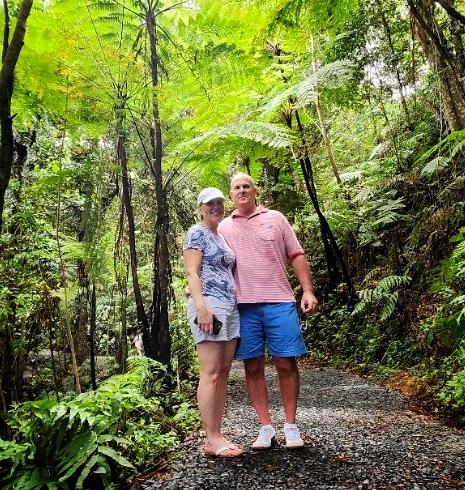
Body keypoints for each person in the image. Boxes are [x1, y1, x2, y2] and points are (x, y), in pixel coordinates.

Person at [218, 172, 318, 450]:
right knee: (252, 365)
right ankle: (265, 428)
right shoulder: (224, 227)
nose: (242, 190)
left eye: (246, 186)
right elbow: (213, 261)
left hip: (279, 301)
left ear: (255, 190)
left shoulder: (276, 219)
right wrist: (195, 285)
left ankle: (291, 426)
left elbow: (296, 254)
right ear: (231, 194)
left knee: (286, 362)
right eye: (236, 187)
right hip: (243, 306)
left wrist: (307, 290)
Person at [183, 187, 244, 458]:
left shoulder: (221, 236)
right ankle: (211, 439)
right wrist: (201, 307)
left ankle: (217, 434)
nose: (215, 207)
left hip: (229, 307)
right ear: (200, 208)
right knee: (210, 372)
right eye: (210, 204)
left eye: (219, 202)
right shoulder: (196, 232)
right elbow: (191, 273)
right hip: (210, 305)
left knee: (223, 371)